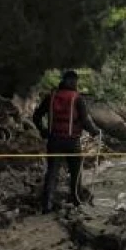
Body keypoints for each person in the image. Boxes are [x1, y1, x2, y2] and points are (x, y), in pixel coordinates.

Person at [33, 70, 102, 214]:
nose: (76, 83)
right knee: (76, 172)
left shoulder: (51, 97)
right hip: (72, 141)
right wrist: (95, 132)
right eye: (75, 81)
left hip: (54, 140)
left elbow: (36, 116)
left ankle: (47, 205)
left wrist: (43, 130)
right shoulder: (77, 98)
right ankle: (76, 201)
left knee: (52, 172)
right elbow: (84, 121)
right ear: (72, 82)